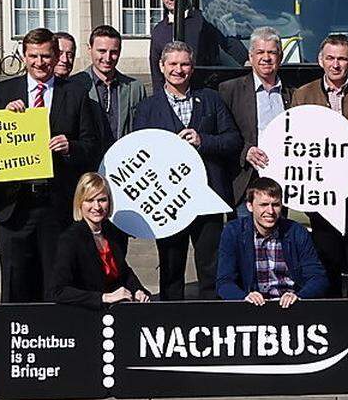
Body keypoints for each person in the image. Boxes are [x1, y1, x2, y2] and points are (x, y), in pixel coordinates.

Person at [0, 27, 101, 303]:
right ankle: (17, 340)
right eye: (33, 56)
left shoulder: (74, 94)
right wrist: (4, 121)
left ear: (56, 56)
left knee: (56, 280)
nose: (40, 63)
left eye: (46, 56)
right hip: (15, 206)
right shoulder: (2, 92)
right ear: (24, 56)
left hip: (56, 204)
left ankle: (53, 338)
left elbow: (91, 146)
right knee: (15, 281)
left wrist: (70, 146)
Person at [132, 41, 242, 300]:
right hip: (167, 200)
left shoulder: (211, 99)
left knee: (210, 266)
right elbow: (139, 151)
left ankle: (210, 317)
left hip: (207, 197)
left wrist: (204, 140)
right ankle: (171, 318)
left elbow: (233, 139)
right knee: (170, 266)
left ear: (192, 68)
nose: (178, 70)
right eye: (173, 64)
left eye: (184, 64)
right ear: (161, 66)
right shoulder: (148, 107)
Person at [291, 34, 348, 298]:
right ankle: (331, 316)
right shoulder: (303, 94)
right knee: (326, 259)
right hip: (321, 191)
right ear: (321, 60)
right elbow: (296, 138)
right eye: (330, 58)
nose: (336, 65)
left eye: (342, 59)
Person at [216, 177, 329, 305]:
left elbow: (318, 277)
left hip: (290, 305)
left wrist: (299, 296)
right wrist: (243, 297)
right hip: (253, 306)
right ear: (250, 206)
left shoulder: (296, 231)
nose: (270, 211)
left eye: (275, 205)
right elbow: (224, 281)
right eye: (263, 205)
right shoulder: (233, 232)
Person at [218, 26, 293, 216]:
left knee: (276, 242)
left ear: (280, 57)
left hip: (281, 183)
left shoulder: (293, 94)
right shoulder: (229, 90)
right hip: (245, 181)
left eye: (272, 52)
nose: (266, 58)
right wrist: (246, 151)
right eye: (260, 52)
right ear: (251, 57)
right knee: (245, 242)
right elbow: (221, 134)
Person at [50, 173, 151, 309]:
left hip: (117, 310)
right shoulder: (70, 239)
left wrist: (138, 290)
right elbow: (57, 291)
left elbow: (124, 272)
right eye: (90, 200)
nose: (97, 207)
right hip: (86, 314)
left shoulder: (112, 232)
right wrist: (104, 297)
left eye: (102, 200)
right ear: (80, 202)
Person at [149, 0, 246, 92]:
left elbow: (227, 43)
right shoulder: (158, 30)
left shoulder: (202, 20)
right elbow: (156, 68)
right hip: (172, 94)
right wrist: (160, 97)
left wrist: (247, 61)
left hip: (202, 90)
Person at [71, 25, 147, 149]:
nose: (107, 58)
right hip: (88, 164)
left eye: (113, 52)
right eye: (102, 51)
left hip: (123, 161)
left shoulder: (135, 88)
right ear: (89, 50)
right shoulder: (74, 86)